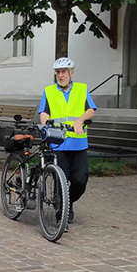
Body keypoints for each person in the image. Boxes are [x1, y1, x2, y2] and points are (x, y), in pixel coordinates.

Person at [38, 57, 97, 226]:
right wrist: (45, 124)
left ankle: (69, 202)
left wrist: (79, 121)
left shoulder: (81, 89)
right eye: (57, 72)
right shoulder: (49, 91)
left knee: (80, 180)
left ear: (71, 73)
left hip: (78, 144)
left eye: (64, 72)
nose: (60, 75)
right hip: (58, 143)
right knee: (60, 179)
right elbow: (44, 112)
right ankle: (62, 209)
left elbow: (90, 110)